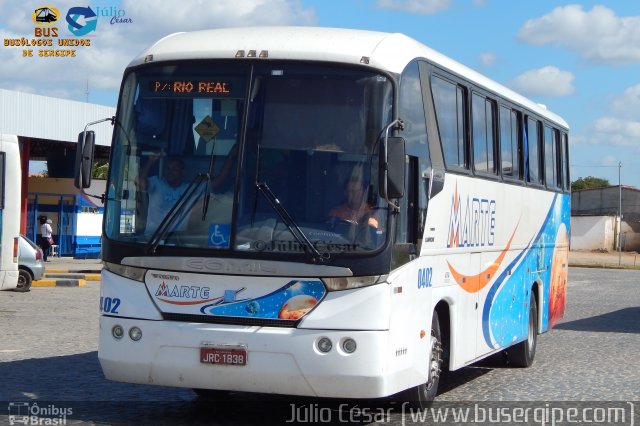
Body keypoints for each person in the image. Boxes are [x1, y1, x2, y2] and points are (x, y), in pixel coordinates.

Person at [137, 156, 189, 233]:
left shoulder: (189, 188)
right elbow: (140, 183)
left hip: (176, 239)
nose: (170, 172)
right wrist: (150, 162)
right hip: (152, 238)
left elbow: (211, 186)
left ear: (183, 172)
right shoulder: (157, 183)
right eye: (168, 169)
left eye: (174, 169)